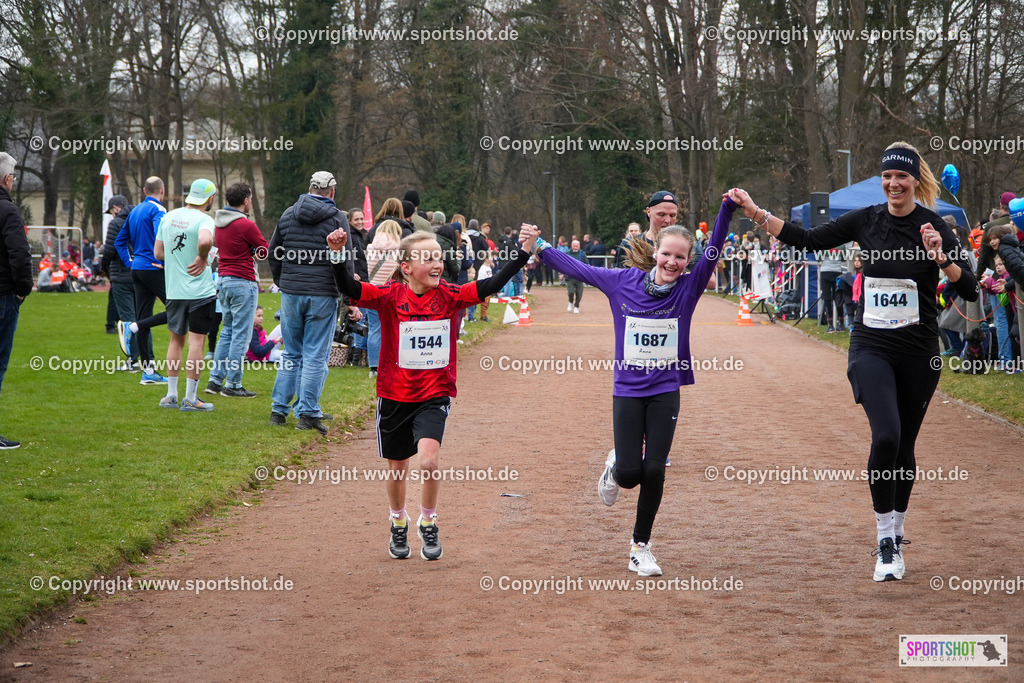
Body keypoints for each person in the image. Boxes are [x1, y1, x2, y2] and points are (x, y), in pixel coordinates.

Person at [727, 142, 979, 582]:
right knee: (886, 436)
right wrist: (755, 212)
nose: (894, 184)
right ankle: (884, 541)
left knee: (904, 446)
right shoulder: (866, 219)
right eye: (887, 176)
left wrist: (942, 258)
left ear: (915, 181)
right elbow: (807, 239)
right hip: (871, 345)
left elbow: (971, 288)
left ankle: (898, 531)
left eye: (902, 177)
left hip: (919, 350)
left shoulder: (934, 225)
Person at [529, 197, 735, 577]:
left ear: (688, 261)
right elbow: (579, 268)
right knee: (629, 475)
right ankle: (614, 468)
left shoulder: (688, 290)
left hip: (665, 390)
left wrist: (728, 210)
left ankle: (640, 547)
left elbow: (714, 249)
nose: (672, 263)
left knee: (654, 470)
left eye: (680, 258)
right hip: (627, 391)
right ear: (655, 252)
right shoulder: (622, 283)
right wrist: (539, 247)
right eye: (667, 254)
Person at [326, 226, 537, 561]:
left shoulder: (450, 295)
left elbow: (492, 285)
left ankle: (428, 521)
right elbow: (349, 288)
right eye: (427, 258)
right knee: (398, 468)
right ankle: (398, 521)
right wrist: (338, 255)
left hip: (433, 393)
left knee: (428, 462)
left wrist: (524, 250)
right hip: (394, 395)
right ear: (406, 267)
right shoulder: (390, 296)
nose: (437, 264)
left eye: (439, 257)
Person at [267, 171, 352, 434]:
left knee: (291, 353)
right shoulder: (337, 218)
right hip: (322, 293)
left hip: (292, 292)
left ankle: (279, 410)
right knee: (315, 355)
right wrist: (348, 296)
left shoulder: (288, 214)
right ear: (332, 192)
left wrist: (283, 281)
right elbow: (345, 257)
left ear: (310, 188)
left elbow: (273, 253)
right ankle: (307, 412)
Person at [153, 179, 219, 411]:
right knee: (196, 342)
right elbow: (205, 240)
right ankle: (190, 397)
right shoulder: (205, 219)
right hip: (200, 291)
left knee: (175, 340)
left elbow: (158, 252)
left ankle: (171, 395)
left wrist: (177, 258)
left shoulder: (168, 216)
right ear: (210, 199)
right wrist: (202, 257)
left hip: (174, 290)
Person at [205, 182, 268, 397]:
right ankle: (233, 384)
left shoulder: (219, 223)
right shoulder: (245, 224)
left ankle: (215, 381)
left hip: (223, 280)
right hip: (243, 281)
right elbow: (264, 249)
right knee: (241, 334)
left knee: (228, 332)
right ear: (246, 200)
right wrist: (254, 253)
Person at [116, 176, 169, 384]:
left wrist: (130, 263)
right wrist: (165, 262)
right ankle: (133, 327)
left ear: (145, 190)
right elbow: (160, 236)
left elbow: (119, 242)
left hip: (137, 269)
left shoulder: (134, 211)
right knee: (179, 309)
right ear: (162, 190)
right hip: (153, 267)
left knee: (145, 316)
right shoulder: (158, 210)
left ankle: (148, 372)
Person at [0, 152, 32, 449]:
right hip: (3, 294)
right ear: (7, 179)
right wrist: (23, 289)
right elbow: (20, 254)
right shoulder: (8, 210)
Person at [101, 195, 140, 372]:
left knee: (128, 320)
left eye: (111, 211)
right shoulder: (140, 220)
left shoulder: (116, 223)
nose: (111, 214)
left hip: (122, 276)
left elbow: (110, 251)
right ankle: (148, 361)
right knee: (143, 319)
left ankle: (133, 360)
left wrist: (104, 269)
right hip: (141, 274)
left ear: (116, 208)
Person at [365, 219, 403, 378]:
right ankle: (392, 362)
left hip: (373, 291)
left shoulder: (369, 248)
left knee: (374, 329)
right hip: (392, 292)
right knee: (393, 328)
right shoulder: (400, 250)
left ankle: (374, 366)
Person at [565, 239, 587, 313]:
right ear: (571, 246)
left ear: (579, 246)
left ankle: (576, 306)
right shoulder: (567, 254)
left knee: (579, 293)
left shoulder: (582, 254)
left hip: (580, 277)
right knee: (571, 292)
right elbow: (563, 265)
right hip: (570, 276)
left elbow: (586, 264)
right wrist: (562, 274)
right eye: (574, 246)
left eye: (577, 246)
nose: (575, 247)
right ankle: (570, 302)